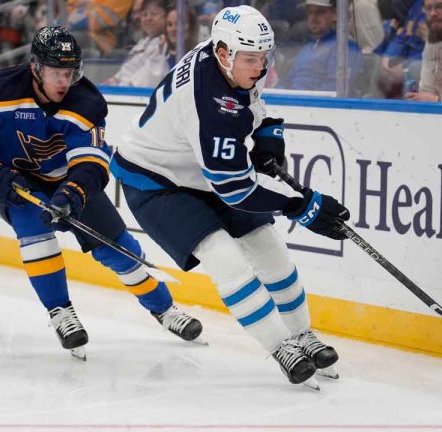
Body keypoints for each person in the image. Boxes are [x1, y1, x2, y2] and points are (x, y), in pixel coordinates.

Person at [110, 5, 350, 387]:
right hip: (156, 180)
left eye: (264, 58)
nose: (259, 67)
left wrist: (268, 131)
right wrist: (297, 206)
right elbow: (235, 191)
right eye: (251, 59)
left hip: (197, 169)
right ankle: (281, 345)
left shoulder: (229, 55)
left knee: (268, 246)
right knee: (224, 258)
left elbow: (251, 100)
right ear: (223, 54)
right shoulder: (207, 102)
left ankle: (302, 333)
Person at [0, 26, 203, 360]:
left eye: (71, 72)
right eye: (57, 73)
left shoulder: (86, 102)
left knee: (116, 247)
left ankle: (164, 309)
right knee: (34, 225)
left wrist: (71, 194)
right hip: (9, 179)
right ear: (35, 68)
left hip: (65, 178)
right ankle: (61, 312)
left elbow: (91, 164)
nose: (65, 81)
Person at [279, 0, 363, 93]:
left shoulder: (345, 47)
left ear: (335, 15)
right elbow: (287, 81)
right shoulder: (307, 47)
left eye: (320, 12)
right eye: (310, 13)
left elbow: (335, 89)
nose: (313, 18)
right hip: (290, 102)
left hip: (316, 104)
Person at [103, 0, 168, 88]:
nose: (148, 18)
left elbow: (148, 80)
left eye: (154, 14)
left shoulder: (163, 45)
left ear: (166, 17)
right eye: (144, 14)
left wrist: (121, 87)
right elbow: (123, 73)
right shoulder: (142, 43)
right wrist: (110, 83)